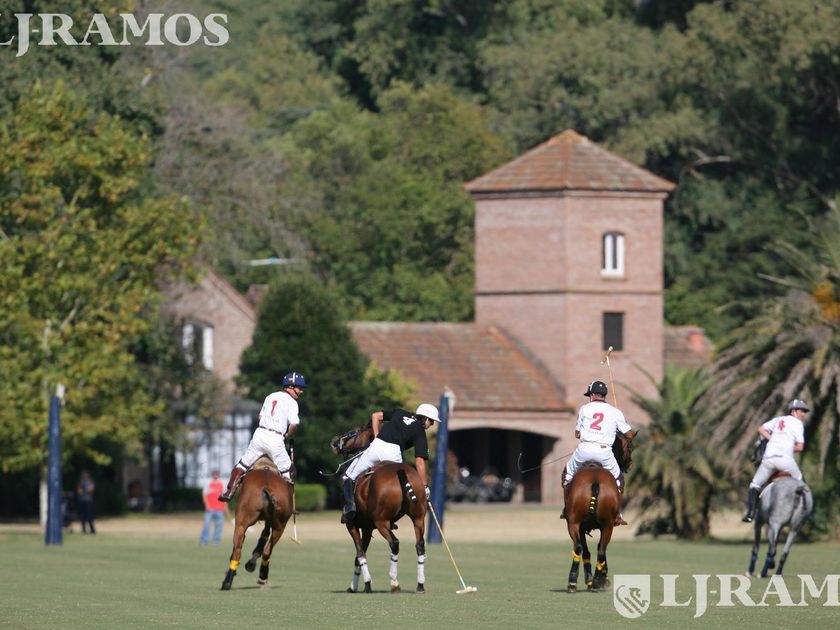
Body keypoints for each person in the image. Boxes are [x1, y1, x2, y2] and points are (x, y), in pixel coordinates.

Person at [340, 403, 440, 523]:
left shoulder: (400, 412)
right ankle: (391, 517)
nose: (432, 424)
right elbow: (419, 461)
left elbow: (375, 416)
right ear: (425, 418)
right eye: (431, 421)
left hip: (376, 448)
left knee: (348, 476)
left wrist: (376, 436)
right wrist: (424, 486)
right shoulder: (419, 431)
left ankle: (350, 507)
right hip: (393, 454)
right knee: (401, 485)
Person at [218, 371, 307, 502]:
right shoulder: (292, 402)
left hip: (259, 435)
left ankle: (229, 491)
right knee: (289, 470)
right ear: (291, 386)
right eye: (300, 388)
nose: (301, 391)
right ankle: (285, 503)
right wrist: (288, 435)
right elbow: (294, 425)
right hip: (275, 439)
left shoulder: (270, 396)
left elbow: (260, 417)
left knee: (242, 465)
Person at [561, 380, 634, 526]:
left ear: (593, 395)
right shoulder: (615, 412)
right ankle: (617, 514)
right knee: (619, 479)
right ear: (604, 395)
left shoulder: (584, 409)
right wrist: (619, 427)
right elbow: (630, 435)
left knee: (567, 474)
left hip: (584, 450)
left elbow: (577, 434)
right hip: (604, 452)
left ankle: (567, 509)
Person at [742, 398, 807, 523]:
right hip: (785, 462)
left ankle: (750, 514)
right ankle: (804, 511)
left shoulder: (778, 419)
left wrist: (772, 439)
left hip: (769, 460)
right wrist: (787, 447)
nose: (803, 414)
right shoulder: (798, 424)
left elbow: (761, 429)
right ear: (793, 411)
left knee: (754, 485)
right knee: (801, 482)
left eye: (804, 411)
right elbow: (800, 447)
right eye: (801, 411)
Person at [200, 470, 228, 545]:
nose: (215, 475)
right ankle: (204, 540)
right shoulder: (208, 483)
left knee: (219, 526)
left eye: (217, 474)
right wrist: (207, 505)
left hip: (220, 509)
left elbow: (225, 496)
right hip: (210, 508)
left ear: (219, 475)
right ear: (212, 475)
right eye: (214, 474)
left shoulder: (222, 483)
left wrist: (225, 507)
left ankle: (216, 541)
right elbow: (204, 495)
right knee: (206, 525)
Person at [77, 470, 96, 534]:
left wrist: (84, 490)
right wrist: (86, 490)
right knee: (83, 516)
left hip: (88, 501)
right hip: (83, 500)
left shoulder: (90, 482)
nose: (85, 477)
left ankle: (92, 529)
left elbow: (91, 490)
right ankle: (84, 529)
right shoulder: (81, 483)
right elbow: (79, 492)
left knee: (89, 515)